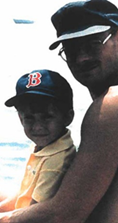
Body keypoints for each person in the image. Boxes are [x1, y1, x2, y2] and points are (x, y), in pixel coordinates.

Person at [0, 0, 118, 222]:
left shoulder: (116, 106)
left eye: (93, 44)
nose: (81, 57)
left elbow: (63, 215)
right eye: (71, 49)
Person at [0, 69, 76, 212]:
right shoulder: (46, 146)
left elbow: (34, 214)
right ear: (20, 119)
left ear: (67, 117)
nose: (38, 127)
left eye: (47, 117)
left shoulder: (55, 161)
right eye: (29, 118)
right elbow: (24, 194)